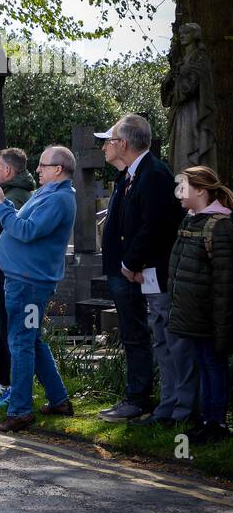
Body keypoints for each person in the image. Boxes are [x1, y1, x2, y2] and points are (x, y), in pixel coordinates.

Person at [95, 114, 186, 423]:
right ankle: (154, 403)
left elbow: (155, 226)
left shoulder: (154, 174)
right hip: (132, 271)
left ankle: (161, 404)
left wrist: (130, 262)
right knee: (144, 336)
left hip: (146, 271)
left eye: (109, 140)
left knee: (158, 338)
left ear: (123, 143)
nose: (105, 146)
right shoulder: (132, 174)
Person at [0, 145, 77, 432]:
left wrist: (1, 207)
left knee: (21, 342)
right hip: (24, 280)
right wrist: (4, 205)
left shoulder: (58, 199)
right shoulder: (48, 194)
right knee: (32, 339)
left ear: (58, 169)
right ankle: (59, 398)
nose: (38, 170)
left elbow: (26, 231)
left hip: (29, 283)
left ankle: (21, 409)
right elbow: (22, 222)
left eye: (43, 165)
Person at [162, 166, 232, 439]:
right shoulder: (190, 220)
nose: (178, 192)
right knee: (204, 364)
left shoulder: (220, 226)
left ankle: (216, 423)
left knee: (214, 365)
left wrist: (222, 325)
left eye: (183, 186)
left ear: (201, 190)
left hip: (209, 316)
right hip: (194, 314)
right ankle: (207, 420)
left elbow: (224, 283)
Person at [0, 148, 35, 395]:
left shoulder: (16, 197)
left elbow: (12, 233)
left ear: (8, 170)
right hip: (0, 269)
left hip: (6, 271)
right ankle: (12, 387)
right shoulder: (8, 193)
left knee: (13, 334)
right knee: (4, 331)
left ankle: (17, 389)